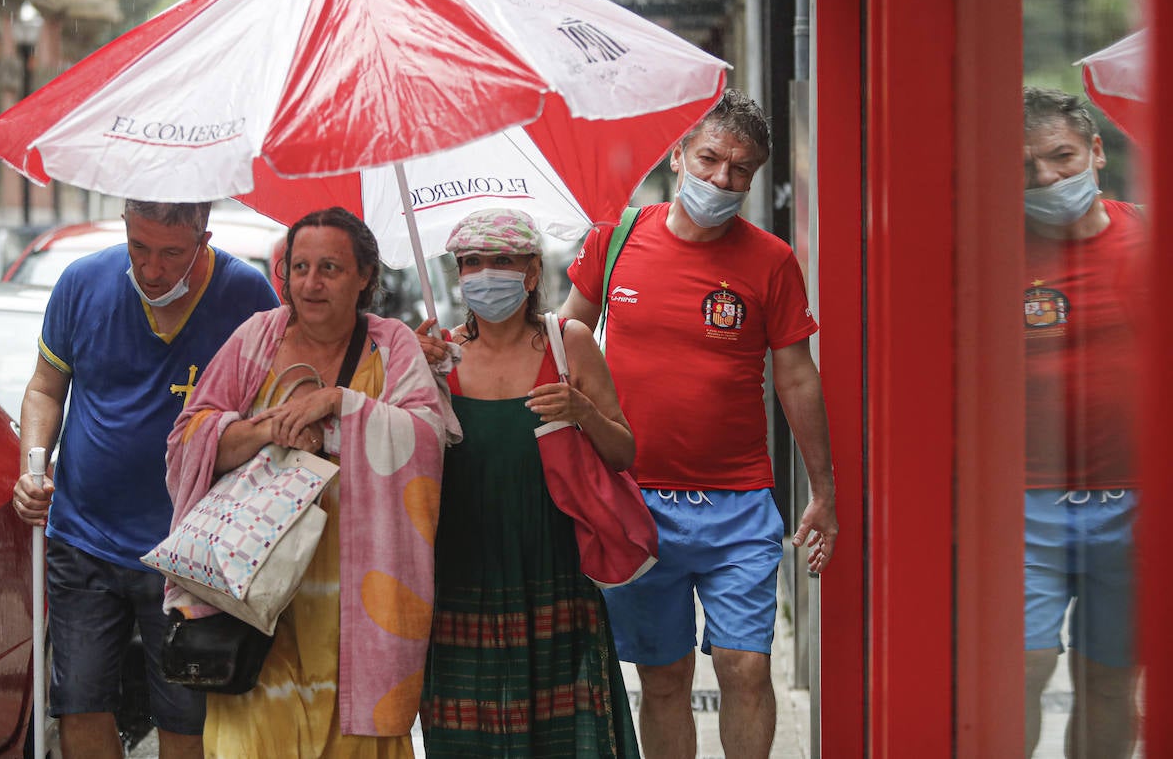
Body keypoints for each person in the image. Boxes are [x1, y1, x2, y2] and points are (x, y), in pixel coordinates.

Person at [559, 87, 837, 759]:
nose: (723, 179)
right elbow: (566, 338)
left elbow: (797, 375)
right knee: (663, 679)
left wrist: (822, 489)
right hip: (636, 501)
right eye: (711, 158)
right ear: (680, 155)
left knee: (744, 667)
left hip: (738, 503)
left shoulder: (770, 261)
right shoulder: (615, 239)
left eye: (741, 169)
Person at [165, 206, 452, 757]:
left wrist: (340, 406)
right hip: (254, 594)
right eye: (299, 268)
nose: (310, 283)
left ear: (365, 276)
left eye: (330, 268)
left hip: (358, 603)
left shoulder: (392, 346)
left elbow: (425, 441)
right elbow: (189, 442)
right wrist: (271, 428)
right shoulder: (257, 339)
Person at [11, 200, 280, 759]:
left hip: (194, 552)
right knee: (79, 703)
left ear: (204, 237)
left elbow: (280, 402)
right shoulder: (82, 283)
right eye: (139, 247)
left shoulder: (248, 297)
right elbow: (44, 388)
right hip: (83, 538)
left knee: (187, 715)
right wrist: (32, 465)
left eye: (171, 253)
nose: (152, 268)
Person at [415, 207, 640, 757]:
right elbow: (397, 462)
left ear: (533, 272)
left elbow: (625, 452)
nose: (484, 274)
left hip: (554, 567)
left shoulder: (569, 343)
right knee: (467, 737)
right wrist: (407, 372)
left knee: (564, 736)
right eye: (470, 262)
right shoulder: (437, 355)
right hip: (461, 569)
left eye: (502, 261)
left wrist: (581, 409)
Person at [1020, 87, 1144, 758]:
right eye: (1026, 168)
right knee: (1018, 674)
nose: (1046, 179)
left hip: (1135, 502)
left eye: (1061, 157)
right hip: (1023, 504)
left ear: (1096, 151)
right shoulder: (987, 253)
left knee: (1109, 682)